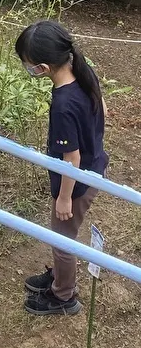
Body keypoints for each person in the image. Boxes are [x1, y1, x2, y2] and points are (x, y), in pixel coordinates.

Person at [15, 20, 108, 316]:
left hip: (76, 182)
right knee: (63, 234)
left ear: (43, 67)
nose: (29, 69)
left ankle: (64, 296)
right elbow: (103, 108)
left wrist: (64, 197)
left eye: (28, 65)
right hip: (95, 167)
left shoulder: (63, 104)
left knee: (62, 239)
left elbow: (72, 159)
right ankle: (58, 275)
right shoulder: (82, 70)